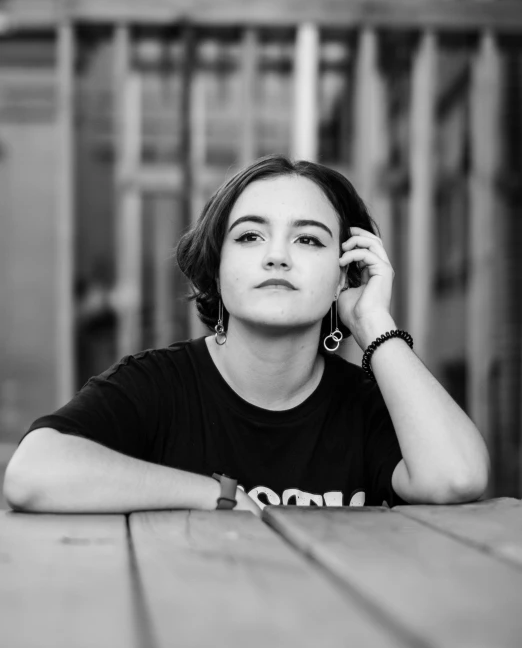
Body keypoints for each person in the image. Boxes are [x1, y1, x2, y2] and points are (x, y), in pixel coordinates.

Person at [3, 155, 490, 516]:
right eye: (250, 236)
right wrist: (214, 495)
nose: (276, 256)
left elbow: (456, 477)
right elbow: (32, 474)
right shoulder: (157, 385)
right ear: (217, 268)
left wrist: (372, 324)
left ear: (345, 272)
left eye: (308, 239)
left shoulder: (368, 406)